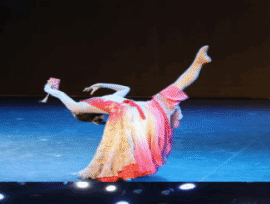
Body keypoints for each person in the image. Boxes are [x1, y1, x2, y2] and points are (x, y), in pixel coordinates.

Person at [44, 46, 212, 181]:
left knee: (176, 87)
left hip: (140, 111)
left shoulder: (105, 100)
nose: (74, 111)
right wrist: (50, 90)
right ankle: (197, 62)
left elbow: (125, 88)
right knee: (177, 85)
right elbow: (71, 103)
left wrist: (102, 84)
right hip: (138, 112)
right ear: (81, 114)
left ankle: (199, 61)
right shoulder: (80, 107)